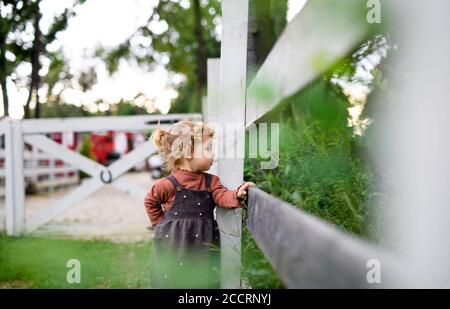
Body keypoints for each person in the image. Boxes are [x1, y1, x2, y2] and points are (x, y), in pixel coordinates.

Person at [144, 119, 255, 288]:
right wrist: (160, 225)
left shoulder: (211, 182)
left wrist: (237, 195)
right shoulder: (167, 184)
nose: (213, 154)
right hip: (173, 244)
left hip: (204, 244)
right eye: (208, 148)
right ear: (188, 153)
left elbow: (222, 196)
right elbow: (150, 201)